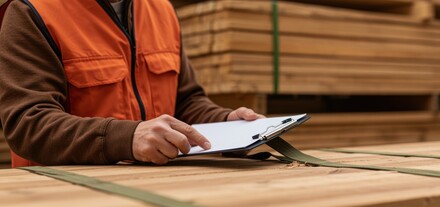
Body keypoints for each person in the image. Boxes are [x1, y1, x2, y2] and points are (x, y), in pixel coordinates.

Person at [0, 0, 263, 167]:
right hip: (63, 200)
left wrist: (228, 122)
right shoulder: (31, 11)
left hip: (155, 188)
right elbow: (28, 124)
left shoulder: (162, 10)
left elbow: (186, 101)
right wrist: (127, 138)